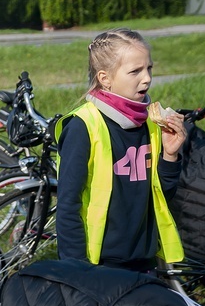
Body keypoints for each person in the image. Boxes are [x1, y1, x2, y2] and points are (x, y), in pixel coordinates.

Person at [54, 28, 186, 272]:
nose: (146, 78)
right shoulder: (83, 126)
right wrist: (77, 269)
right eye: (135, 71)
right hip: (101, 265)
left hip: (145, 261)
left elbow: (161, 196)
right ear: (105, 79)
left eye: (149, 68)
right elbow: (67, 206)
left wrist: (170, 155)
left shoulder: (151, 122)